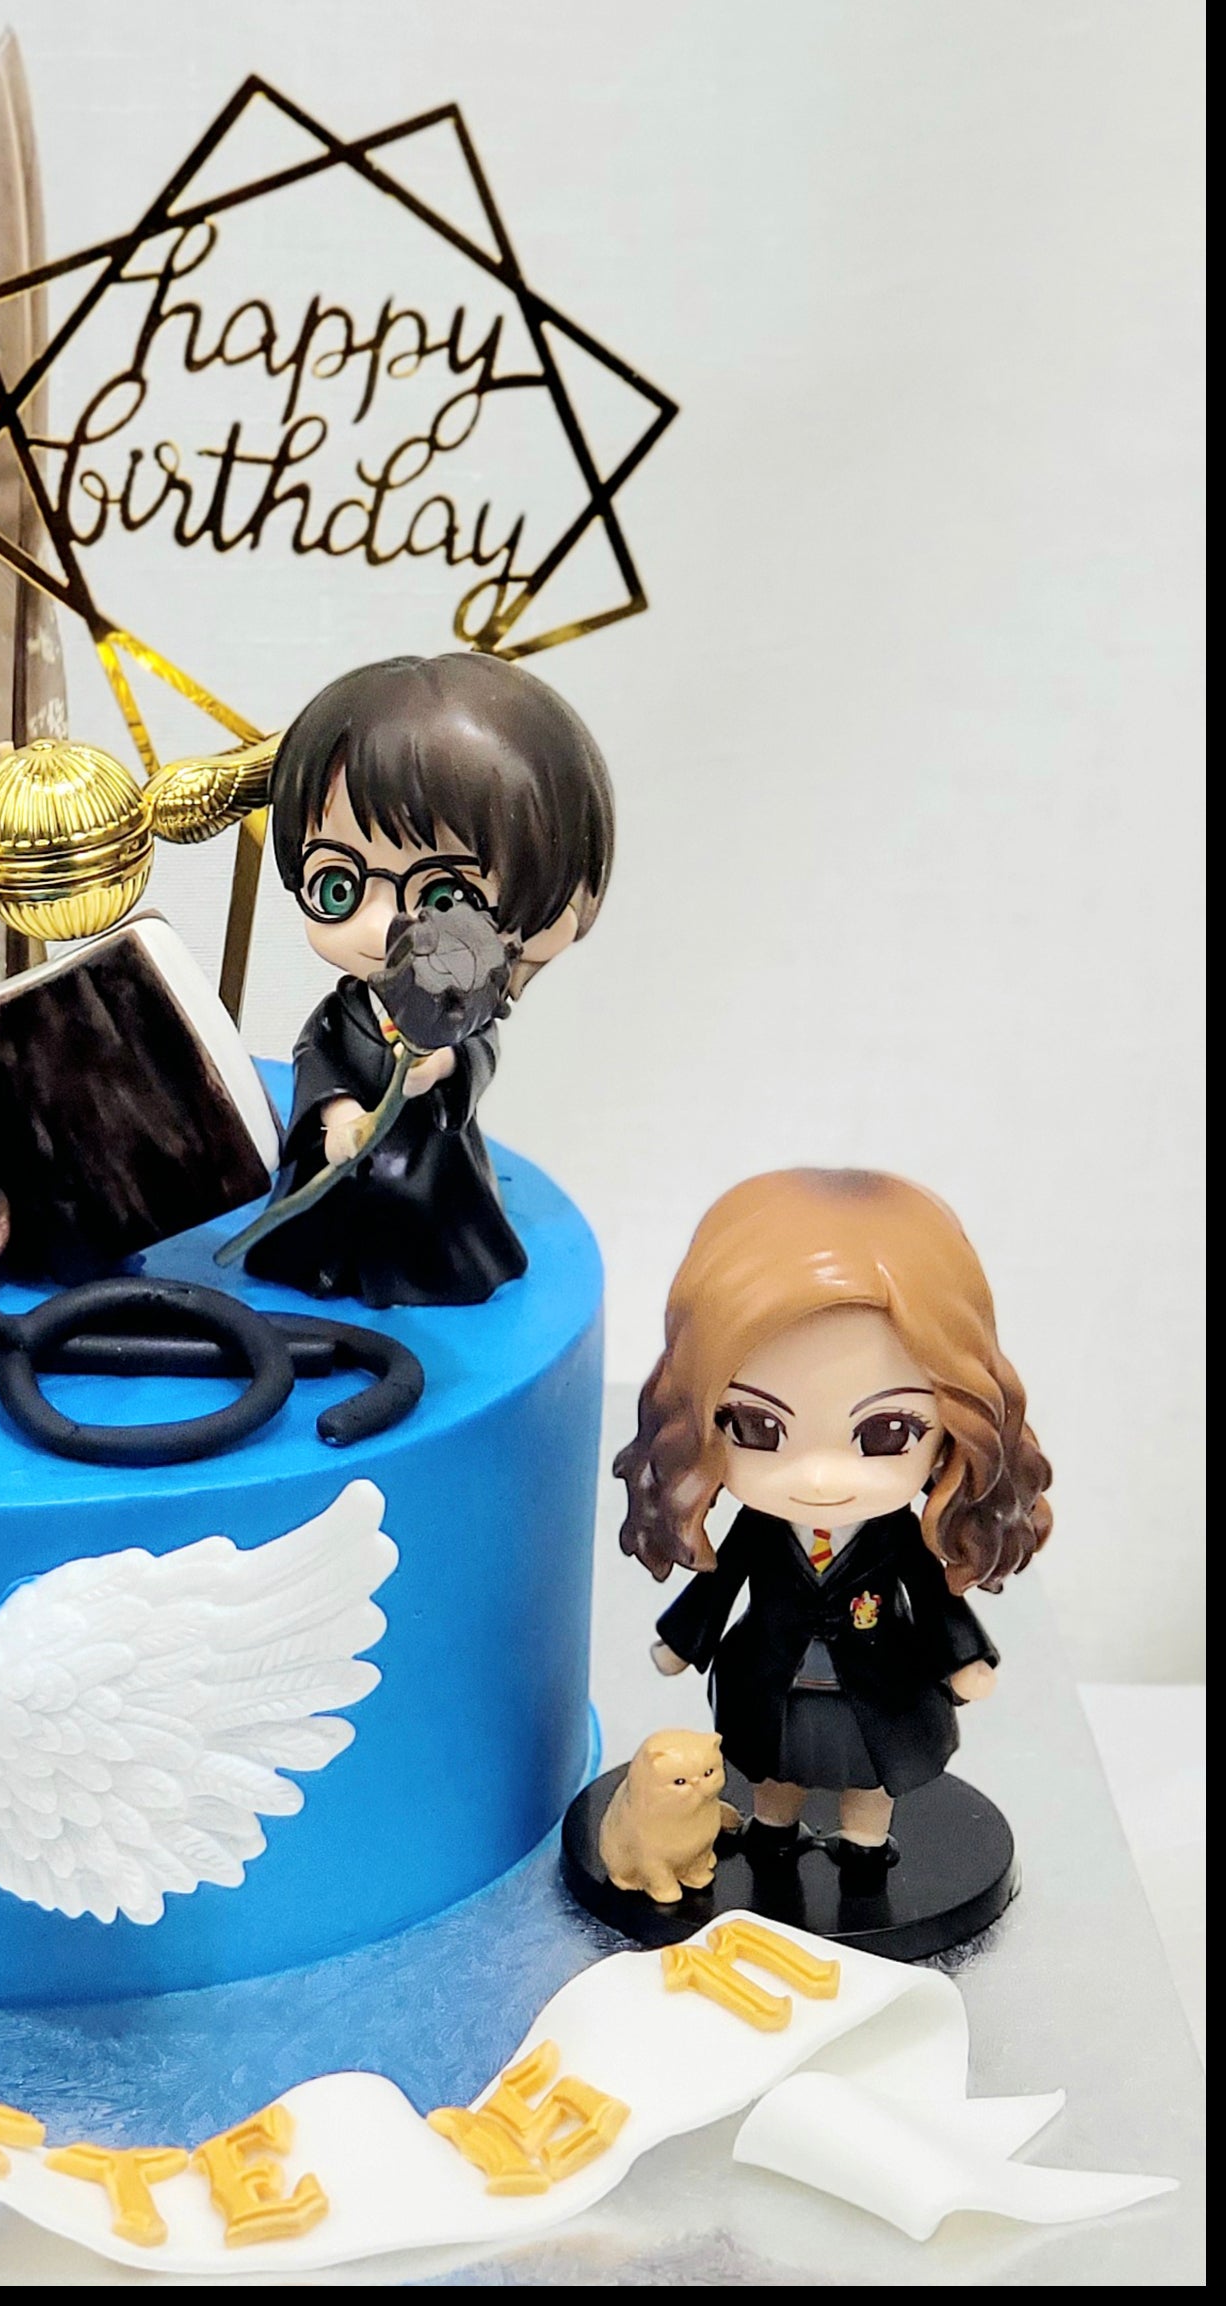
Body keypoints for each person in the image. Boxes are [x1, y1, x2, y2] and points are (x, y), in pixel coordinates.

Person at [615, 1168, 1054, 1881]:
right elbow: (720, 1582)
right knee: (772, 1768)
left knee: (870, 1773)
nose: (819, 1478)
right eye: (756, 1425)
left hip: (875, 1684)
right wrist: (682, 1638)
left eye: (887, 1431)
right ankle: (773, 1830)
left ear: (954, 1426)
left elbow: (935, 1597)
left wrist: (964, 1659)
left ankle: (864, 1844)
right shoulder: (761, 1529)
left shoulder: (894, 1537)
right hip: (773, 1676)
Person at [242, 651, 613, 1307]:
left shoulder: (461, 1005)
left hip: (428, 1174)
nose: (380, 924)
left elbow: (478, 1050)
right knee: (315, 1238)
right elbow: (317, 1058)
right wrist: (339, 1117)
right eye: (338, 885)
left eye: (443, 897)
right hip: (342, 1169)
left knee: (428, 1243)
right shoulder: (343, 1013)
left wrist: (443, 1065)